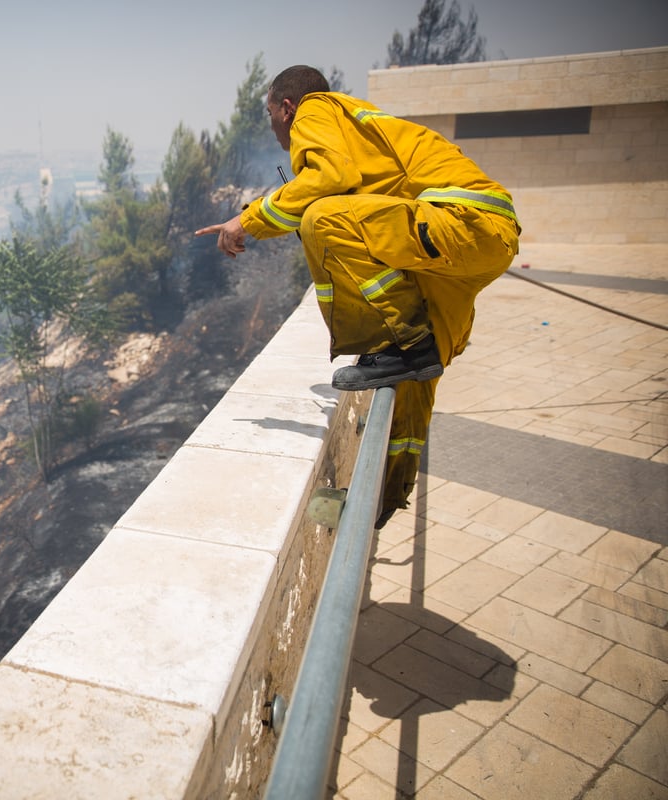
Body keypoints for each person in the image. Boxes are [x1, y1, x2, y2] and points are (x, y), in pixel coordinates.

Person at [196, 64, 520, 525]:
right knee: (415, 375)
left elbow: (328, 182)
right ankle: (385, 497)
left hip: (460, 220)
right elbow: (345, 183)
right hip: (475, 237)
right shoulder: (355, 126)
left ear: (287, 108)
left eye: (271, 115)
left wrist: (245, 221)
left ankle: (398, 341)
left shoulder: (315, 108)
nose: (272, 128)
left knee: (322, 219)